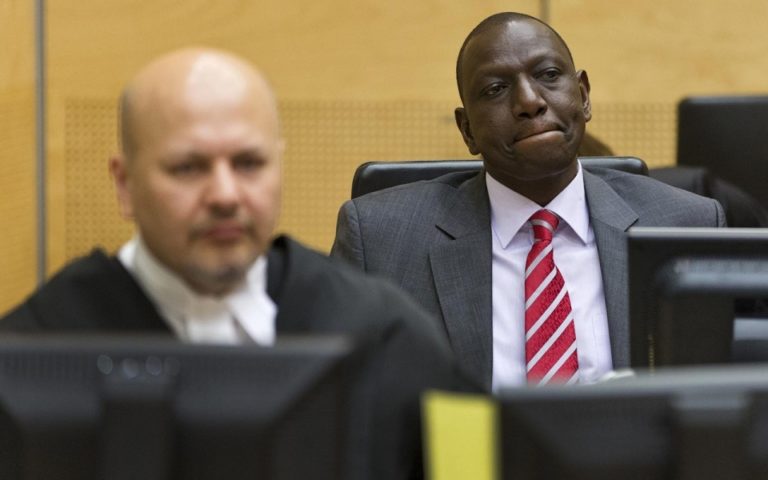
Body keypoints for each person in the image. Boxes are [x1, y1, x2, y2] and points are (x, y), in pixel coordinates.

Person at [1, 48, 463, 480]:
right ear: (124, 185)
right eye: (188, 167)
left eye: (248, 163)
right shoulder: (35, 347)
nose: (225, 195)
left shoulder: (382, 335)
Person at [331, 12, 726, 391]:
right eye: (495, 89)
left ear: (583, 96)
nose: (529, 101)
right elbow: (341, 406)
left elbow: (716, 399)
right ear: (467, 130)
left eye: (549, 75)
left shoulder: (687, 226)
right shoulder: (381, 241)